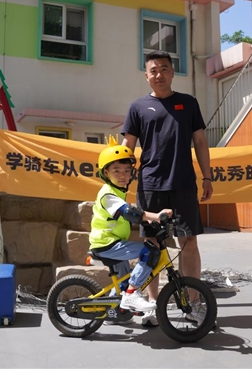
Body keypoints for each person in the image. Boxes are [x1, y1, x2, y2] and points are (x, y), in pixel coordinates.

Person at [121, 50, 213, 326]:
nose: (158, 74)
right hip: (150, 186)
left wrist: (207, 177)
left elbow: (200, 142)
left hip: (183, 184)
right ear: (146, 76)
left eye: (164, 69)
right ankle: (151, 306)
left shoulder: (189, 103)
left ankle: (194, 305)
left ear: (172, 73)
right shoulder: (137, 107)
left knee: (189, 243)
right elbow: (127, 147)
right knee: (153, 245)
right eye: (153, 70)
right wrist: (120, 180)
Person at [89, 136, 172, 316]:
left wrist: (147, 220)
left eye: (127, 171)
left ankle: (115, 311)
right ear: (106, 173)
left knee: (123, 282)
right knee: (150, 252)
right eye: (116, 170)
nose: (123, 175)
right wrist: (155, 216)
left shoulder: (117, 191)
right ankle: (132, 294)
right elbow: (129, 213)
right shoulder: (108, 194)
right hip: (107, 243)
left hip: (113, 242)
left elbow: (128, 214)